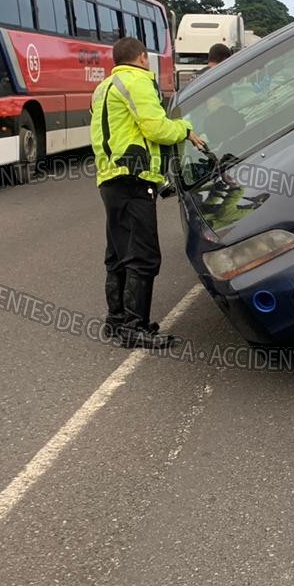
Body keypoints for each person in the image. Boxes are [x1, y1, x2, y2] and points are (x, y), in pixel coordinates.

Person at [91, 35, 206, 350]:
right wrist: (185, 129)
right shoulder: (138, 81)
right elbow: (156, 128)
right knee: (143, 254)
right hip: (135, 177)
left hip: (110, 178)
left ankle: (116, 321)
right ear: (142, 57)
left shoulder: (104, 87)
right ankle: (135, 327)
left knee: (118, 253)